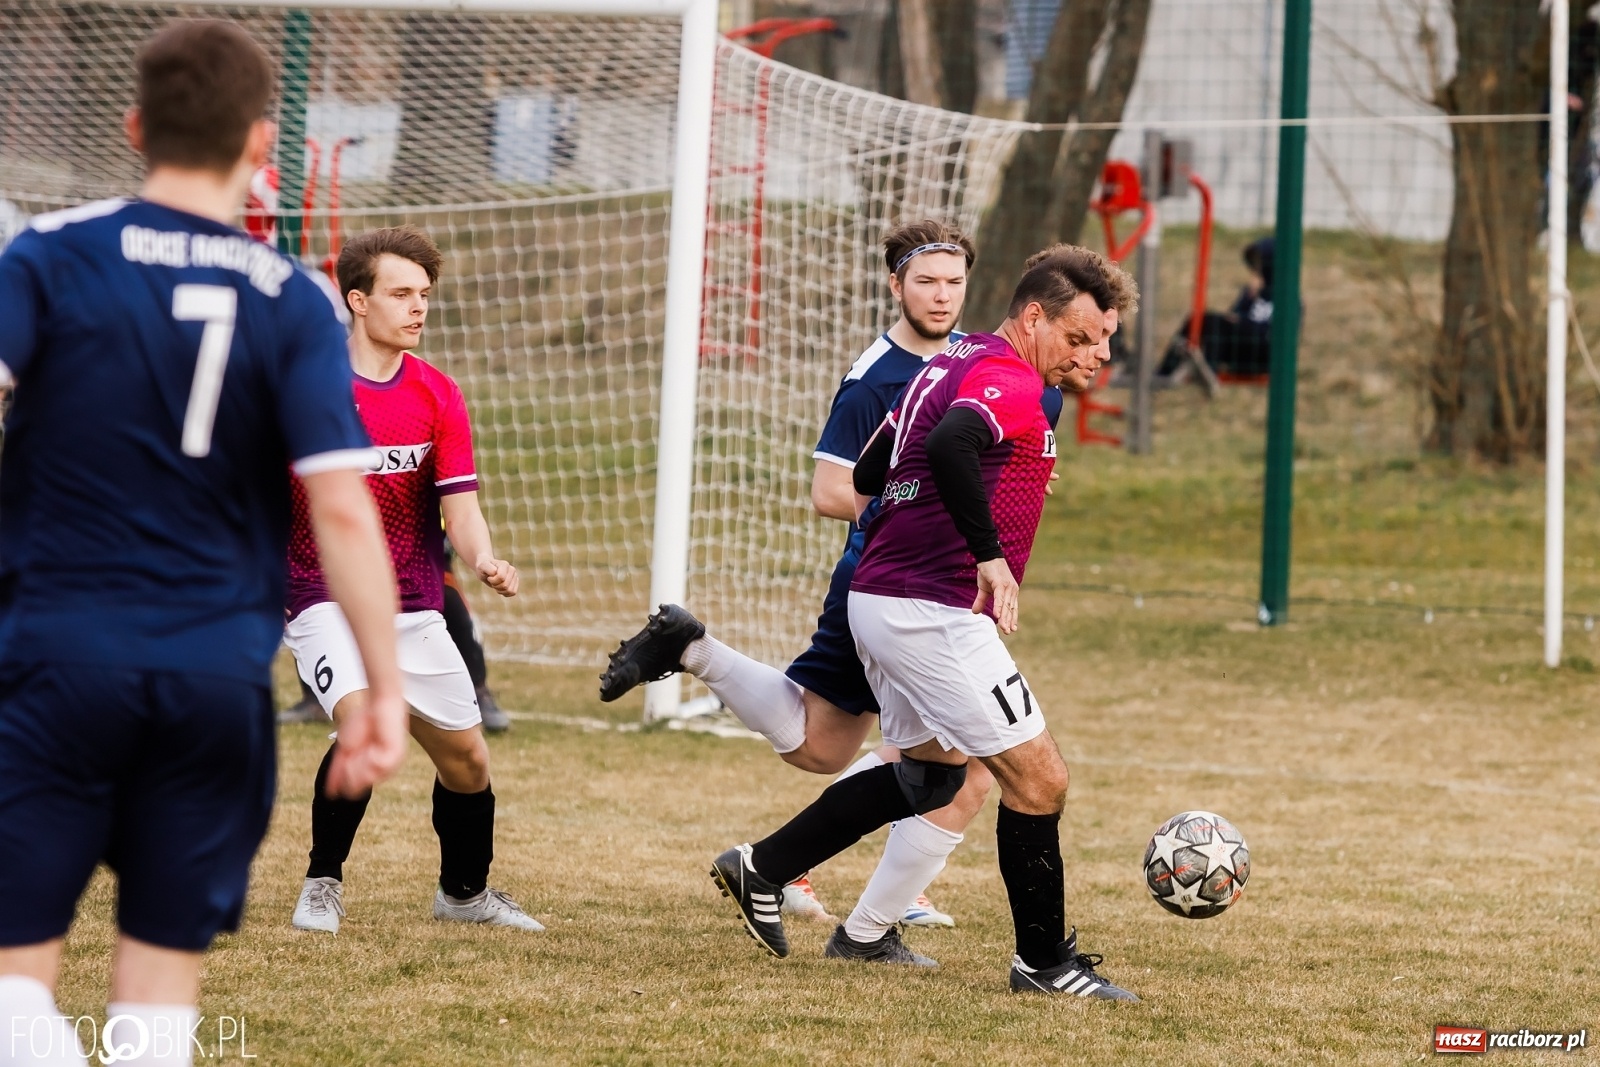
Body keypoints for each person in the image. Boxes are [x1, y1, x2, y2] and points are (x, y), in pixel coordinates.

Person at [0, 20, 407, 1067]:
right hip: (213, 675)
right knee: (158, 1000)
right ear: (262, 142)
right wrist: (382, 692)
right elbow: (344, 508)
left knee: (13, 982)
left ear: (136, 126)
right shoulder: (292, 300)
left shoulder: (49, 253)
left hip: (57, 656)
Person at [600, 221, 1067, 958]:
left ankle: (699, 660)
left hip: (913, 582)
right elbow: (832, 487)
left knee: (872, 752)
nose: (942, 296)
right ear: (896, 286)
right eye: (926, 282)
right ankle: (851, 905)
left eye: (954, 282)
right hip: (898, 579)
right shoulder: (878, 374)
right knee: (938, 761)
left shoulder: (971, 360)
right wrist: (923, 516)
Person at [702, 244, 1144, 999]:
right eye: (1079, 337)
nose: (1098, 354)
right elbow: (947, 443)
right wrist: (989, 554)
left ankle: (769, 868)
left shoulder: (955, 358)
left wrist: (998, 470)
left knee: (933, 773)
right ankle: (1044, 963)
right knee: (1039, 779)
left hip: (880, 596)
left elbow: (877, 467)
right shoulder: (1003, 376)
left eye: (1105, 339)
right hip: (931, 606)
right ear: (1033, 318)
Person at [284, 225, 538, 935]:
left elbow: (461, 505)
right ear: (358, 301)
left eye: (425, 294)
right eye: (401, 293)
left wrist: (484, 558)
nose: (419, 307)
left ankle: (463, 894)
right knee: (364, 721)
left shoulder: (436, 395)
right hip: (320, 593)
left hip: (414, 602)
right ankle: (321, 883)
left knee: (466, 759)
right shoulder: (304, 390)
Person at [1158, 237, 1273, 381]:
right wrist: (1249, 298)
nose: (1257, 269)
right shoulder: (1251, 292)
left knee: (1215, 323)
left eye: (1261, 263)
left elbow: (1278, 336)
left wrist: (1242, 321)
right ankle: (1164, 373)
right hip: (1239, 348)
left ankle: (1208, 371)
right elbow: (1233, 316)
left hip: (1264, 355)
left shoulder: (1289, 299)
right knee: (1198, 319)